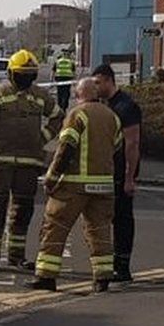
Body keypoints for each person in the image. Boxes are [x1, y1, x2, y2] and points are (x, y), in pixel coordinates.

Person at [26, 78, 122, 293]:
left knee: (55, 227)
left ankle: (46, 276)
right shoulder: (112, 117)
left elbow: (66, 148)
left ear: (79, 95)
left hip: (73, 185)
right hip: (104, 186)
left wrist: (51, 177)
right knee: (100, 230)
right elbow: (117, 146)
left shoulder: (77, 114)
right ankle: (103, 276)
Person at [0, 49, 64, 272]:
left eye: (29, 74)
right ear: (11, 74)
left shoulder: (39, 95)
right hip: (0, 163)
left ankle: (16, 256)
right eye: (21, 74)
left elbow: (57, 116)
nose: (25, 78)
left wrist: (41, 138)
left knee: (22, 210)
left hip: (29, 163)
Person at [92, 64, 142, 281]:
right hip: (106, 171)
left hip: (121, 172)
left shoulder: (126, 106)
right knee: (105, 217)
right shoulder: (105, 105)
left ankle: (122, 266)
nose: (95, 87)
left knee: (122, 219)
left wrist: (130, 178)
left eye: (97, 83)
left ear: (108, 80)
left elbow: (132, 143)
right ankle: (112, 263)